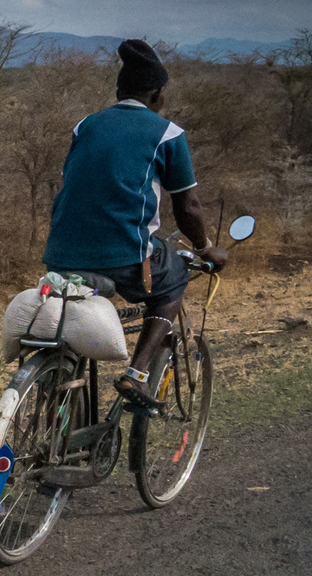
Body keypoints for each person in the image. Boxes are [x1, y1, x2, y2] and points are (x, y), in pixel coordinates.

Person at [42, 38, 228, 407]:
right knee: (172, 277)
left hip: (60, 254)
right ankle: (137, 374)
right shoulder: (167, 133)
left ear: (119, 90)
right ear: (157, 94)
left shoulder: (86, 126)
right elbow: (187, 207)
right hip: (125, 256)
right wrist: (206, 248)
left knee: (67, 341)